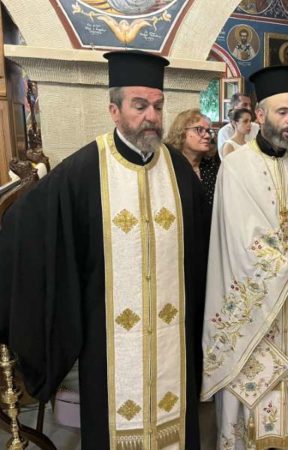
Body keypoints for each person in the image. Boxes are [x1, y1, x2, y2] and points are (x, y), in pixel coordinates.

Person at [0, 51, 209, 449]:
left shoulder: (180, 172)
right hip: (108, 339)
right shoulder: (83, 170)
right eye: (139, 106)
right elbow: (26, 224)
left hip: (173, 336)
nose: (151, 116)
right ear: (114, 111)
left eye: (158, 106)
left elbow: (201, 256)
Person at [202, 65, 288, 449]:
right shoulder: (236, 167)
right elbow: (239, 236)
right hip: (257, 296)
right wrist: (284, 269)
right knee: (254, 368)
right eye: (282, 112)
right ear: (259, 115)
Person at [165, 108, 220, 207]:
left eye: (208, 131)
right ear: (182, 132)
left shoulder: (212, 166)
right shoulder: (169, 166)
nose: (207, 136)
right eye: (199, 130)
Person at [217, 92, 260, 159]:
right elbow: (225, 160)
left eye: (250, 105)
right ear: (234, 107)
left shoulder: (256, 127)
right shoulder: (224, 132)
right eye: (245, 105)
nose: (249, 108)